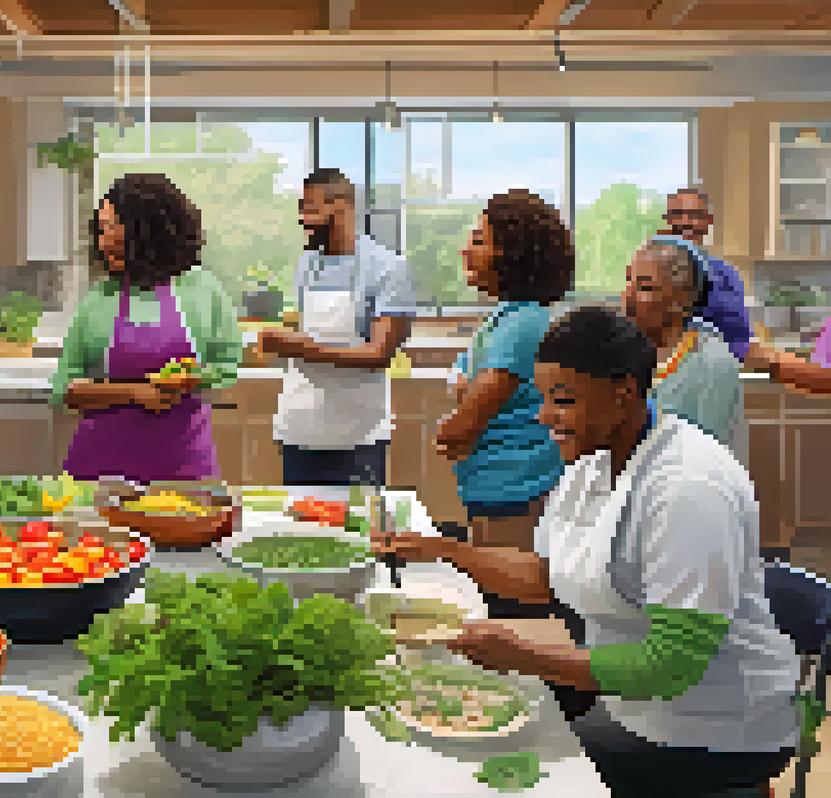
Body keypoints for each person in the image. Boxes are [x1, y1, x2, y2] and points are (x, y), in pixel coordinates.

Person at [374, 306, 799, 798]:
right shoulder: (592, 463)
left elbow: (673, 666)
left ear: (622, 394)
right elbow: (544, 577)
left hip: (713, 728)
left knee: (510, 773)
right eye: (543, 398)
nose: (544, 417)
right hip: (633, 703)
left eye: (563, 399)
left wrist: (525, 656)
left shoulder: (687, 487)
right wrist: (443, 550)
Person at [55, 173, 241, 483]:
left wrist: (188, 379)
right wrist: (134, 392)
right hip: (101, 471)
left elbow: (227, 364)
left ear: (149, 230)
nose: (103, 242)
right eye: (100, 231)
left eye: (112, 228)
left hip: (185, 468)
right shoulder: (99, 299)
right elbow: (65, 387)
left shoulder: (202, 289)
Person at [260, 169, 417, 488]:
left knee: (356, 531)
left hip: (359, 435)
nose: (302, 218)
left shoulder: (388, 268)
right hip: (300, 428)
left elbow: (379, 355)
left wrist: (294, 346)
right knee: (303, 531)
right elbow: (312, 333)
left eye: (310, 209)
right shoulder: (307, 264)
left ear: (342, 206)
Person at [435, 189, 570, 555]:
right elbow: (463, 387)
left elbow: (458, 430)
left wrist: (456, 418)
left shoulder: (523, 324)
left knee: (509, 605)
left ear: (513, 254)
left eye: (478, 240)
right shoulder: (505, 319)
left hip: (517, 493)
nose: (465, 250)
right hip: (497, 490)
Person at [623, 237, 746, 463]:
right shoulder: (624, 353)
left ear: (681, 300)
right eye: (628, 282)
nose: (627, 297)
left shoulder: (711, 363)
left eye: (645, 287)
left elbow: (710, 458)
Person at [661, 188, 753, 363]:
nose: (686, 222)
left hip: (712, 372)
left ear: (708, 221)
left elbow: (740, 339)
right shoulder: (648, 269)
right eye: (678, 214)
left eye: (695, 215)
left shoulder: (727, 276)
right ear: (667, 220)